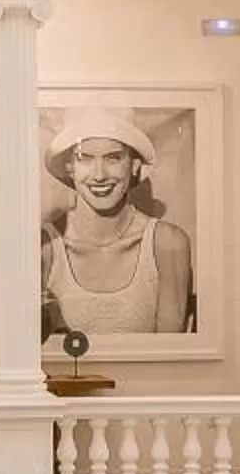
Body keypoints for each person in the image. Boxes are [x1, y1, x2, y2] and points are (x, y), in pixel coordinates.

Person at [42, 110, 192, 341]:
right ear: (70, 167)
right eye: (84, 158)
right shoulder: (44, 247)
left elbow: (168, 353)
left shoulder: (167, 243)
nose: (99, 175)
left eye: (113, 158)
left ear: (133, 165)